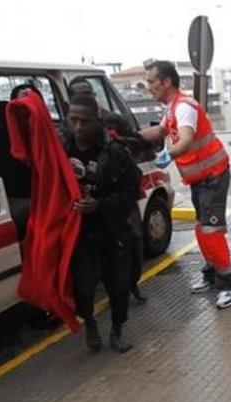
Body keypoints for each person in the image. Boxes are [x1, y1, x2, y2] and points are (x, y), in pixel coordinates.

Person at [139, 61, 231, 309]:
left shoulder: (184, 108)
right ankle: (211, 274)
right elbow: (161, 131)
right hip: (202, 180)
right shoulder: (172, 107)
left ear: (166, 82)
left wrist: (168, 155)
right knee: (201, 229)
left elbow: (184, 140)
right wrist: (127, 137)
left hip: (213, 177)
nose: (149, 87)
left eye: (152, 81)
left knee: (210, 231)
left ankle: (229, 285)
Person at [63, 94, 139, 353]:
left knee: (119, 286)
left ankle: (117, 330)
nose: (78, 127)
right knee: (82, 289)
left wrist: (101, 204)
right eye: (73, 120)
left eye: (84, 121)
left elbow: (132, 191)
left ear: (96, 119)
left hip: (112, 229)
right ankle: (90, 321)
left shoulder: (115, 151)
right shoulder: (62, 148)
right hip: (80, 233)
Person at [68, 81, 149, 305]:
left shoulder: (113, 120)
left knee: (133, 244)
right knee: (84, 277)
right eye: (79, 95)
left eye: (88, 94)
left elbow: (138, 143)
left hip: (116, 204)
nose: (79, 126)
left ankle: (131, 285)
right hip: (84, 215)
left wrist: (120, 142)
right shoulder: (66, 136)